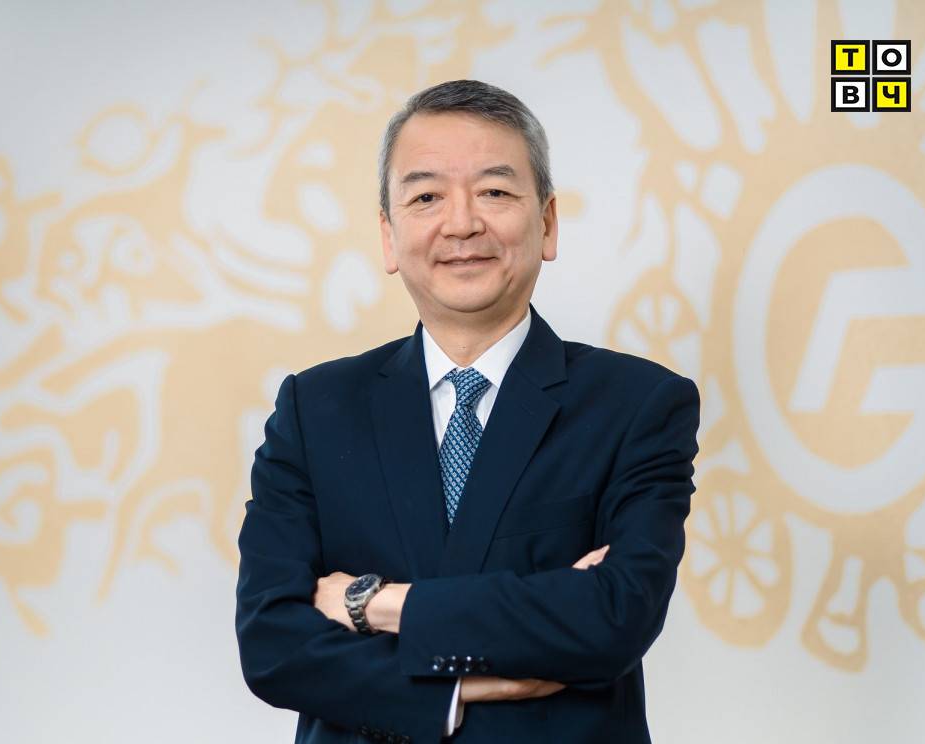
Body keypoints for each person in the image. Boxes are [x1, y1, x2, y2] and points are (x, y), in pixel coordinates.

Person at [235, 79, 700, 743]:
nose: (461, 224)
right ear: (389, 236)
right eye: (426, 197)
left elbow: (614, 617)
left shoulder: (637, 404)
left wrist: (375, 603)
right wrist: (455, 690)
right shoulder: (315, 409)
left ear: (547, 223)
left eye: (495, 192)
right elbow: (273, 645)